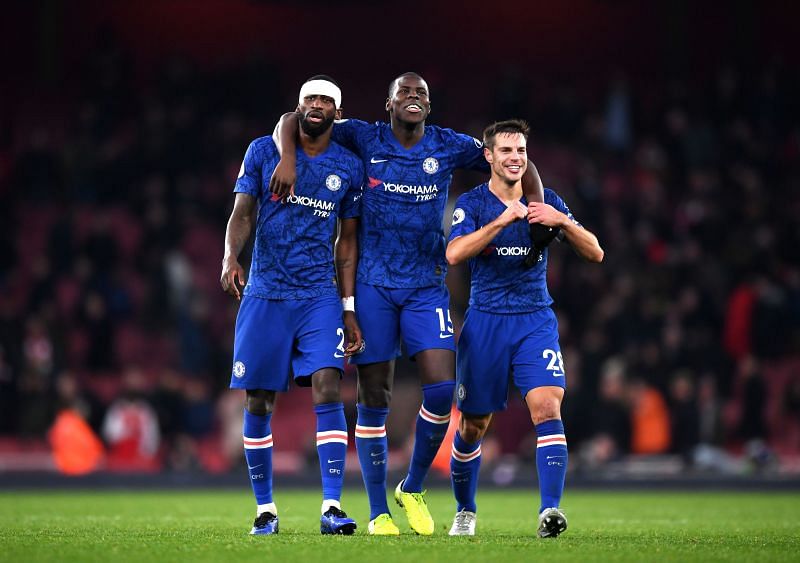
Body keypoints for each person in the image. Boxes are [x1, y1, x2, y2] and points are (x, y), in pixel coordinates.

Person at [270, 72, 550, 536]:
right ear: (389, 103)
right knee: (373, 397)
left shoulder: (447, 144)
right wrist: (286, 156)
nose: (414, 97)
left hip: (426, 285)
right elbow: (292, 119)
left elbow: (519, 163)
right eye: (405, 92)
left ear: (429, 105)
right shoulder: (364, 135)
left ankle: (413, 485)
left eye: (421, 93)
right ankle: (379, 512)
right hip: (374, 287)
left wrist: (537, 208)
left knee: (442, 390)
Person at [220, 75, 365, 536]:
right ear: (299, 106)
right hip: (265, 291)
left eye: (326, 100)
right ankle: (265, 509)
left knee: (328, 384)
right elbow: (243, 212)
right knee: (259, 398)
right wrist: (229, 255)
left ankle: (331, 506)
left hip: (318, 294)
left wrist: (347, 305)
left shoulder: (349, 165)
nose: (317, 105)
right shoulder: (263, 151)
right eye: (310, 99)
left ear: (336, 113)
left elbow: (348, 243)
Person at [445, 119, 603, 537]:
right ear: (489, 156)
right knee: (473, 426)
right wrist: (501, 221)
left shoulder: (547, 201)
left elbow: (596, 252)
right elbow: (455, 253)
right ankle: (465, 510)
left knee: (548, 407)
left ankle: (549, 511)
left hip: (535, 319)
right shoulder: (473, 203)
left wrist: (563, 222)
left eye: (521, 152)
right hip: (486, 322)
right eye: (506, 151)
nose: (515, 158)